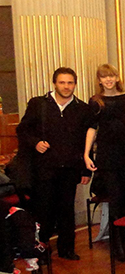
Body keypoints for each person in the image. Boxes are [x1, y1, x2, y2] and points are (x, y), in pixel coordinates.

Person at [17, 67, 94, 260]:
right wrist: (36, 143)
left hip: (69, 168)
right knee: (44, 211)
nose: (66, 86)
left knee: (67, 210)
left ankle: (67, 249)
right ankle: (42, 249)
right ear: (54, 83)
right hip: (44, 168)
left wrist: (86, 170)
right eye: (62, 82)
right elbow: (23, 130)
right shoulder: (38, 104)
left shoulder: (82, 109)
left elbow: (87, 142)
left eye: (70, 83)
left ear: (75, 84)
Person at [84, 64, 125, 260]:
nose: (109, 79)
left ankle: (123, 238)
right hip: (107, 156)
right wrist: (87, 154)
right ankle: (117, 244)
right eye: (105, 77)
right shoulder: (96, 101)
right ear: (99, 80)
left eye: (112, 75)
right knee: (115, 199)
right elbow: (91, 128)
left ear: (117, 77)